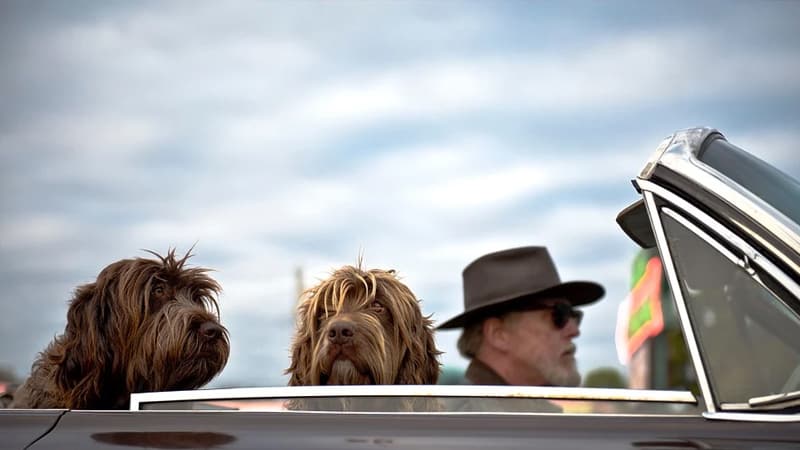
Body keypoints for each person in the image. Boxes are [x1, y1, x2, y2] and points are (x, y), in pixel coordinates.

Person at [438, 246, 605, 390]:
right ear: (498, 334)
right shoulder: (466, 423)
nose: (574, 331)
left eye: (574, 315)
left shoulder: (516, 417)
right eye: (559, 314)